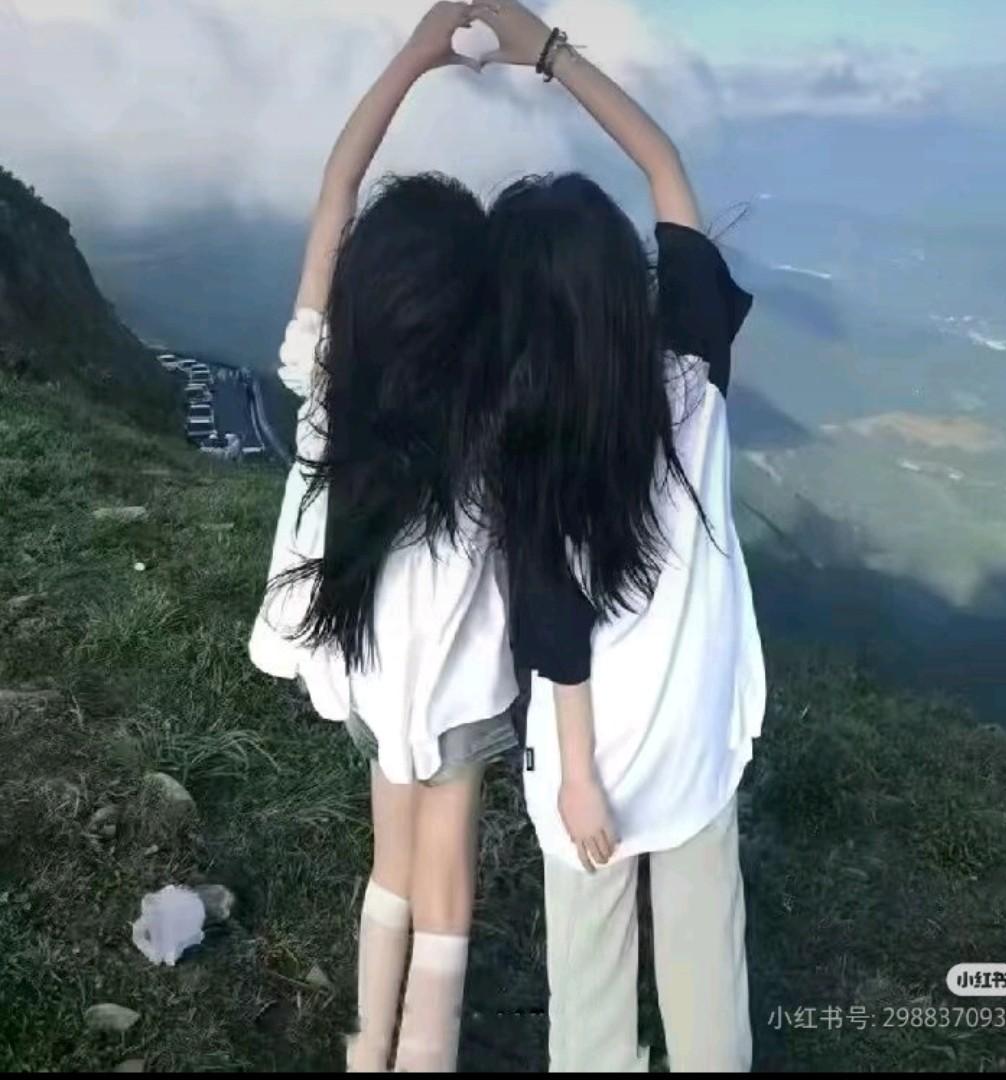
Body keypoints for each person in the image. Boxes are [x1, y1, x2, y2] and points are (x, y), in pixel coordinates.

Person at [468, 1, 766, 1072]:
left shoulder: (528, 444)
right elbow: (666, 171)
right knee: (706, 965)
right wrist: (547, 53)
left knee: (590, 991)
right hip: (694, 737)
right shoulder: (693, 379)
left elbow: (555, 628)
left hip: (592, 761)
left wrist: (582, 779)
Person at [247, 4, 519, 1071]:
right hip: (457, 688)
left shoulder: (332, 383)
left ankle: (371, 1048)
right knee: (446, 874)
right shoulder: (491, 415)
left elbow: (336, 191)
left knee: (391, 854)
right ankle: (425, 1053)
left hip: (363, 674)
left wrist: (413, 57)